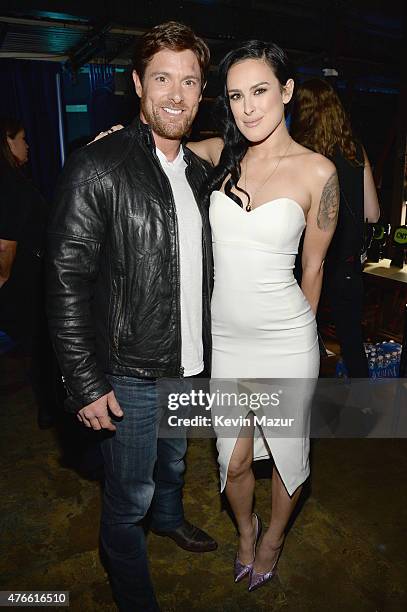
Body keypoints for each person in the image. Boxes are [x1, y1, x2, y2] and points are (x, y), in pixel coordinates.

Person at [97, 40, 339, 592]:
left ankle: (271, 539)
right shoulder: (219, 155)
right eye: (235, 96)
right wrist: (118, 141)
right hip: (226, 343)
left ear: (287, 92)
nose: (248, 108)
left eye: (260, 92)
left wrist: (301, 351)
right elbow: (156, 142)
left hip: (286, 339)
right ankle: (245, 532)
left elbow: (316, 268)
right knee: (232, 463)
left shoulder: (319, 171)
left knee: (286, 458)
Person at [47, 22, 217, 612]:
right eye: (163, 78)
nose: (176, 94)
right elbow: (66, 280)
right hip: (129, 374)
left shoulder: (200, 174)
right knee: (127, 501)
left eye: (189, 80)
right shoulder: (99, 167)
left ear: (202, 92)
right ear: (138, 84)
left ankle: (170, 520)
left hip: (190, 366)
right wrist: (85, 383)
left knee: (174, 462)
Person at [290, 78, 380, 377]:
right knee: (352, 340)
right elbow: (373, 213)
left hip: (305, 264)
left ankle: (304, 411)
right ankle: (363, 412)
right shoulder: (356, 150)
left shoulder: (300, 155)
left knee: (302, 338)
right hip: (346, 262)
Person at [0, 117, 56, 428]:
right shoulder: (11, 184)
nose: (27, 146)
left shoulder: (13, 180)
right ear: (6, 142)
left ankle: (49, 408)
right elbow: (5, 246)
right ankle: (49, 410)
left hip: (28, 279)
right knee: (39, 348)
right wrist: (3, 280)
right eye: (21, 138)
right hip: (23, 283)